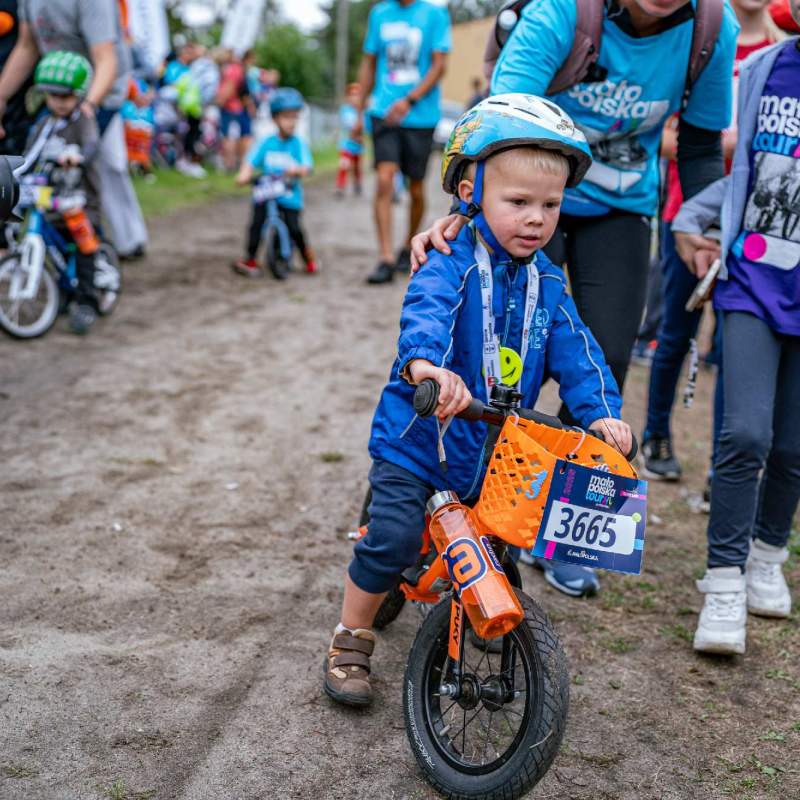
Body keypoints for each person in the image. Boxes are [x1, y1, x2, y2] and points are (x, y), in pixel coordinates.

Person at [409, 0, 738, 597]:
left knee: (604, 358)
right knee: (513, 360)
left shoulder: (713, 28)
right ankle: (473, 492)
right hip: (527, 201)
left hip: (624, 207)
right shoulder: (564, 11)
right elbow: (496, 122)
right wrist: (463, 214)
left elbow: (698, 144)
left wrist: (707, 227)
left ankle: (556, 530)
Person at [323, 94, 633, 707]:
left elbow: (579, 350)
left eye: (550, 205)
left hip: (496, 449)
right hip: (421, 438)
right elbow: (425, 315)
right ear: (471, 192)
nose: (536, 219)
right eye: (518, 202)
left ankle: (479, 601)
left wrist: (601, 412)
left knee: (503, 537)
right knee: (389, 538)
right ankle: (350, 636)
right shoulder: (449, 261)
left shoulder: (548, 279)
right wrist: (429, 368)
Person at [671, 5, 800, 655]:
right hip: (752, 282)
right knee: (746, 430)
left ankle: (765, 556)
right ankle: (722, 583)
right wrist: (694, 221)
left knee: (793, 448)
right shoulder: (762, 70)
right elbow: (742, 173)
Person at [642, 0, 785, 484]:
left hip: (756, 225)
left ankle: (724, 468)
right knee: (675, 332)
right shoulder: (700, 43)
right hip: (688, 213)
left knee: (733, 346)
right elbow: (663, 138)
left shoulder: (781, 54)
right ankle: (656, 434)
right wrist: (731, 144)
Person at [0, 0, 148, 260]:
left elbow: (106, 59)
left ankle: (96, 255)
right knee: (107, 164)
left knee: (89, 168)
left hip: (100, 89)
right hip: (59, 92)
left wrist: (88, 107)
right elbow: (27, 46)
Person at [352, 0, 451, 285]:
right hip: (383, 112)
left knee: (416, 188)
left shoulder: (434, 14)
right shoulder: (380, 13)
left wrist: (409, 100)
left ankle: (408, 245)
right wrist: (359, 112)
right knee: (385, 179)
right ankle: (384, 257)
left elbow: (439, 66)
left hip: (420, 115)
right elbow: (369, 64)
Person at [24, 52, 101, 334]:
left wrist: (76, 156)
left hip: (80, 201)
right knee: (48, 246)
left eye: (64, 96)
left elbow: (92, 145)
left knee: (83, 247)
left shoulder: (84, 120)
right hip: (50, 200)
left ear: (78, 95)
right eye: (52, 96)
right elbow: (29, 155)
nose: (57, 102)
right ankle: (63, 293)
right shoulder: (44, 125)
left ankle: (88, 300)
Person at [232, 88, 317, 278]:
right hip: (266, 193)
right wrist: (243, 175)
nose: (291, 122)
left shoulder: (298, 144)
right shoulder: (266, 142)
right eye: (287, 117)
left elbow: (307, 166)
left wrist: (298, 170)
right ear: (275, 118)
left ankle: (308, 257)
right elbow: (251, 161)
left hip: (289, 196)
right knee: (256, 224)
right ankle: (251, 258)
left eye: (295, 117)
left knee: (295, 228)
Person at [216, 48, 255, 173]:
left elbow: (229, 87)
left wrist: (219, 101)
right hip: (234, 107)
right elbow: (232, 88)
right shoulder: (237, 69)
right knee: (235, 137)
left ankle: (230, 165)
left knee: (229, 136)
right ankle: (234, 164)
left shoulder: (231, 69)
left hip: (230, 107)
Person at [335, 82, 363, 197]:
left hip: (358, 146)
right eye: (352, 94)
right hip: (346, 145)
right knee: (344, 166)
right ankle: (340, 187)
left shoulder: (362, 111)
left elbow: (366, 126)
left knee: (357, 167)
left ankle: (357, 184)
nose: (354, 97)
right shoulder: (345, 110)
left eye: (357, 95)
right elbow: (348, 125)